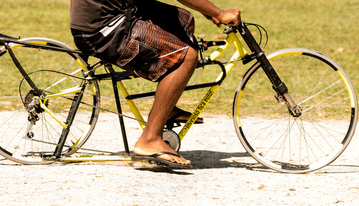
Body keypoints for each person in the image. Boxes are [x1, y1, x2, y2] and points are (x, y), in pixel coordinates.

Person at [69, 0, 241, 167]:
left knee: (184, 20)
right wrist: (218, 12)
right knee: (186, 57)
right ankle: (150, 139)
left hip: (119, 11)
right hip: (102, 27)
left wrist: (207, 9)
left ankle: (165, 108)